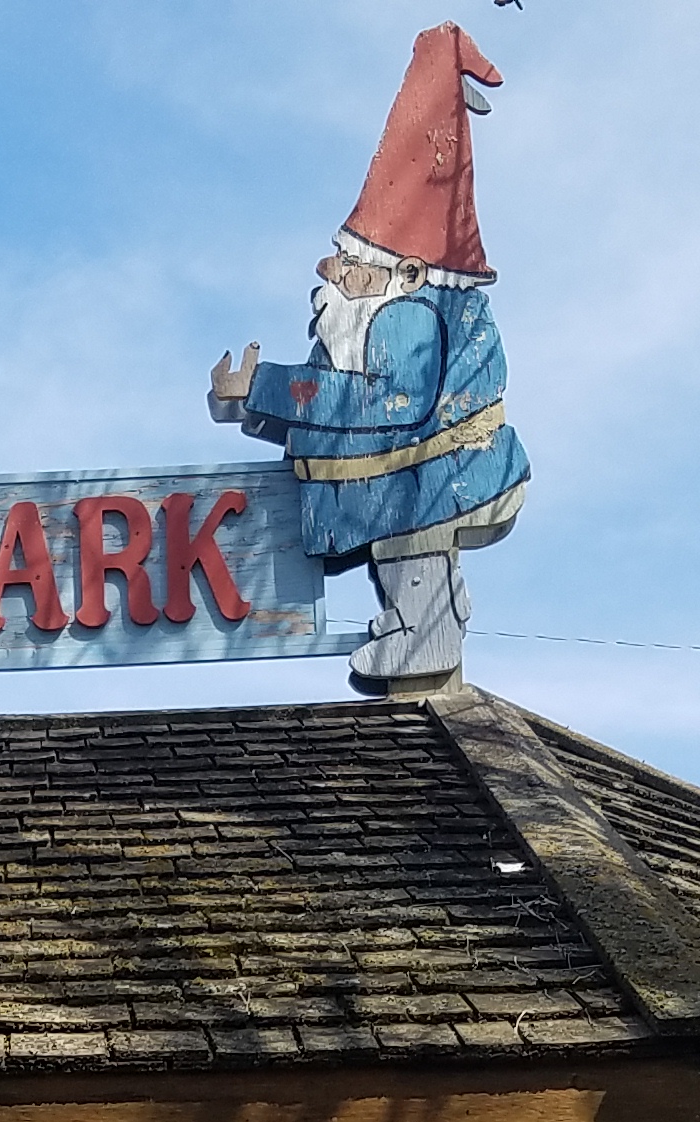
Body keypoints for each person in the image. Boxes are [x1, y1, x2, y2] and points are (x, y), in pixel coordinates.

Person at [210, 23, 529, 694]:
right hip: (409, 477)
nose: (331, 272)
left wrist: (265, 390)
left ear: (406, 271)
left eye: (352, 261)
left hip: (434, 476)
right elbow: (335, 407)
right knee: (402, 546)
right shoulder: (362, 327)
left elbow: (382, 403)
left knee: (413, 544)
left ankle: (424, 636)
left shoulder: (410, 318)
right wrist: (250, 404)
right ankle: (420, 626)